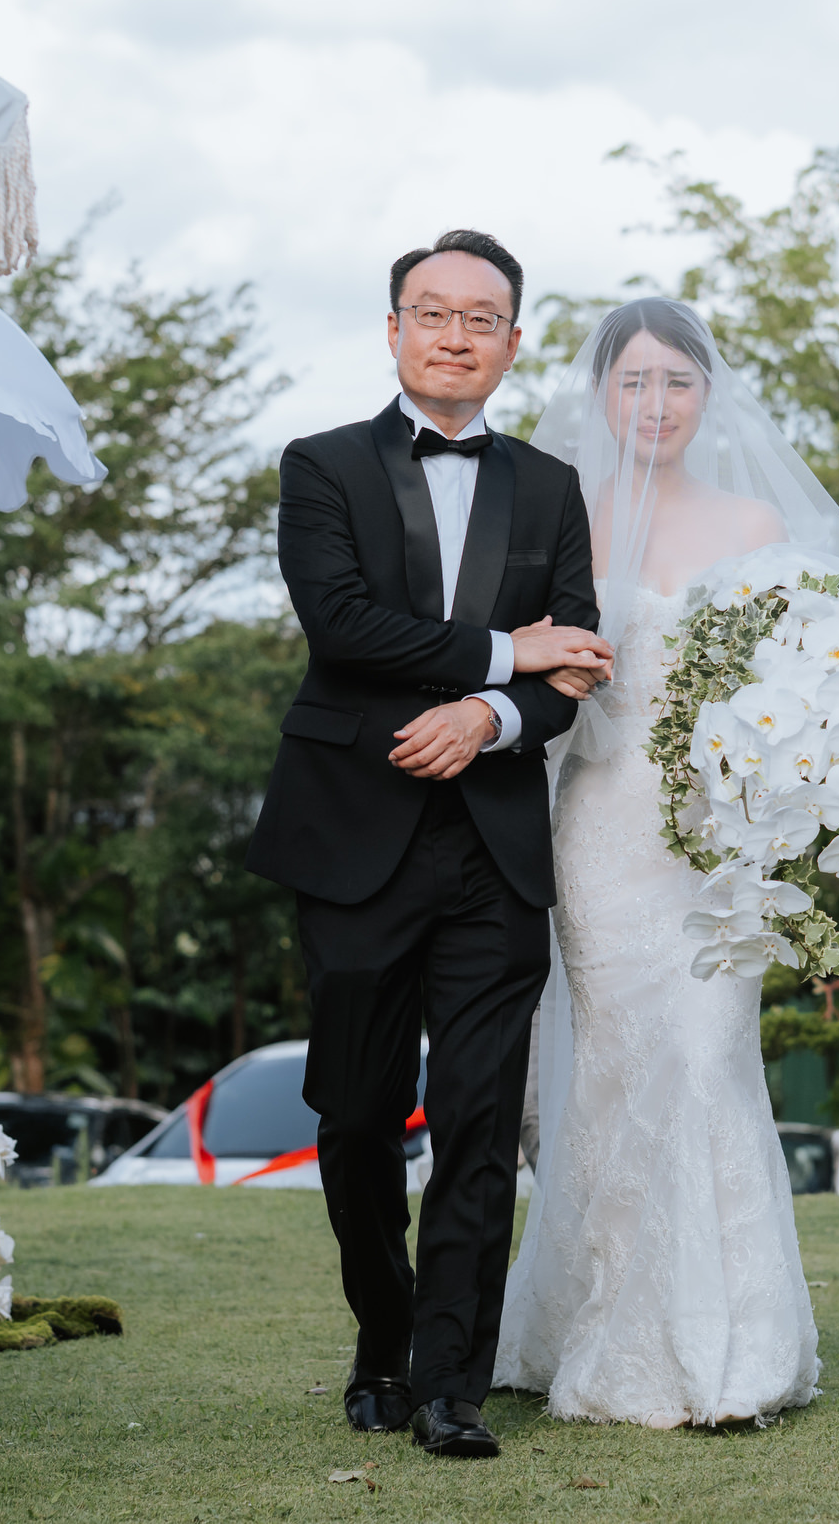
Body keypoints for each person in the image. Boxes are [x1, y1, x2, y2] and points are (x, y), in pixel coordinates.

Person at [493, 298, 839, 1427]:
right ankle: (598, 1321)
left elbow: (821, 663)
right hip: (599, 832)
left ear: (709, 393)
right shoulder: (562, 512)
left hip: (719, 846)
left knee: (707, 1056)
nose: (656, 403)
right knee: (612, 1066)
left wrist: (817, 777)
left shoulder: (755, 518)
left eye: (677, 380)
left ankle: (736, 1348)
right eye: (634, 381)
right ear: (600, 392)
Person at [245, 230, 612, 1459]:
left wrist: (494, 715)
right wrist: (511, 657)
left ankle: (452, 1375)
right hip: (352, 840)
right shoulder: (323, 465)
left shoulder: (554, 487)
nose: (455, 333)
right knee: (355, 1115)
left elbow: (580, 670)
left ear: (513, 341)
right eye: (431, 311)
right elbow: (344, 625)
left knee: (478, 1115)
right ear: (394, 329)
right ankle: (381, 1336)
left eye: (482, 316)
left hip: (494, 851)